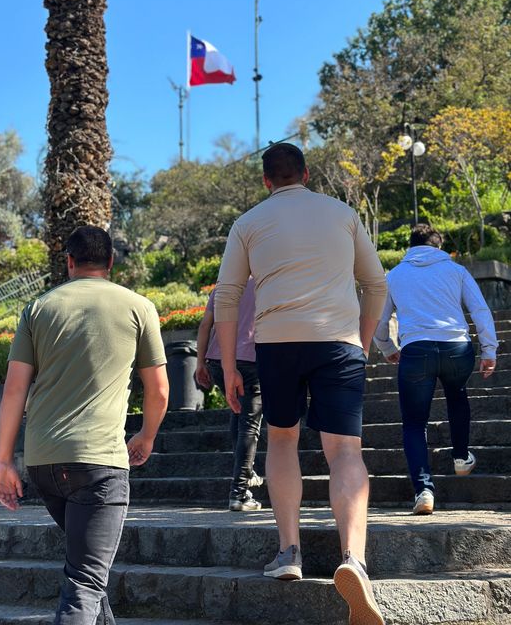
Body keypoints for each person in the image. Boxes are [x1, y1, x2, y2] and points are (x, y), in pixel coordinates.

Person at [213, 143, 388, 625]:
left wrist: (229, 366)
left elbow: (227, 296)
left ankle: (289, 552)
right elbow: (376, 284)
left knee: (283, 438)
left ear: (267, 181)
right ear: (306, 174)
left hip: (277, 344)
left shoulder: (248, 223)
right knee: (345, 452)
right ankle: (353, 558)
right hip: (338, 342)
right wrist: (364, 340)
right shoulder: (343, 213)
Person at [0, 225, 169, 625]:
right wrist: (146, 435)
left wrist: (4, 462)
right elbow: (158, 390)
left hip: (44, 465)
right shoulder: (137, 306)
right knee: (85, 585)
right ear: (110, 262)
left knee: (89, 576)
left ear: (69, 263)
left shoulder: (38, 309)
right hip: (99, 465)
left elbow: (14, 391)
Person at [373, 223, 497, 516]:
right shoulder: (456, 271)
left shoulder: (396, 275)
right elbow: (479, 310)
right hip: (457, 348)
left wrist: (388, 349)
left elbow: (380, 323)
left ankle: (424, 490)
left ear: (410, 245)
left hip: (416, 351)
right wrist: (489, 350)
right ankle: (460, 457)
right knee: (457, 395)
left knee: (414, 423)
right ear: (438, 246)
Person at [196, 277, 264, 511]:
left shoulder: (225, 284)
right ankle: (239, 492)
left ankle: (246, 473)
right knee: (249, 423)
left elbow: (206, 325)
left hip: (217, 360)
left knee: (237, 413)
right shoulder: (267, 282)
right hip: (250, 359)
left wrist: (200, 363)